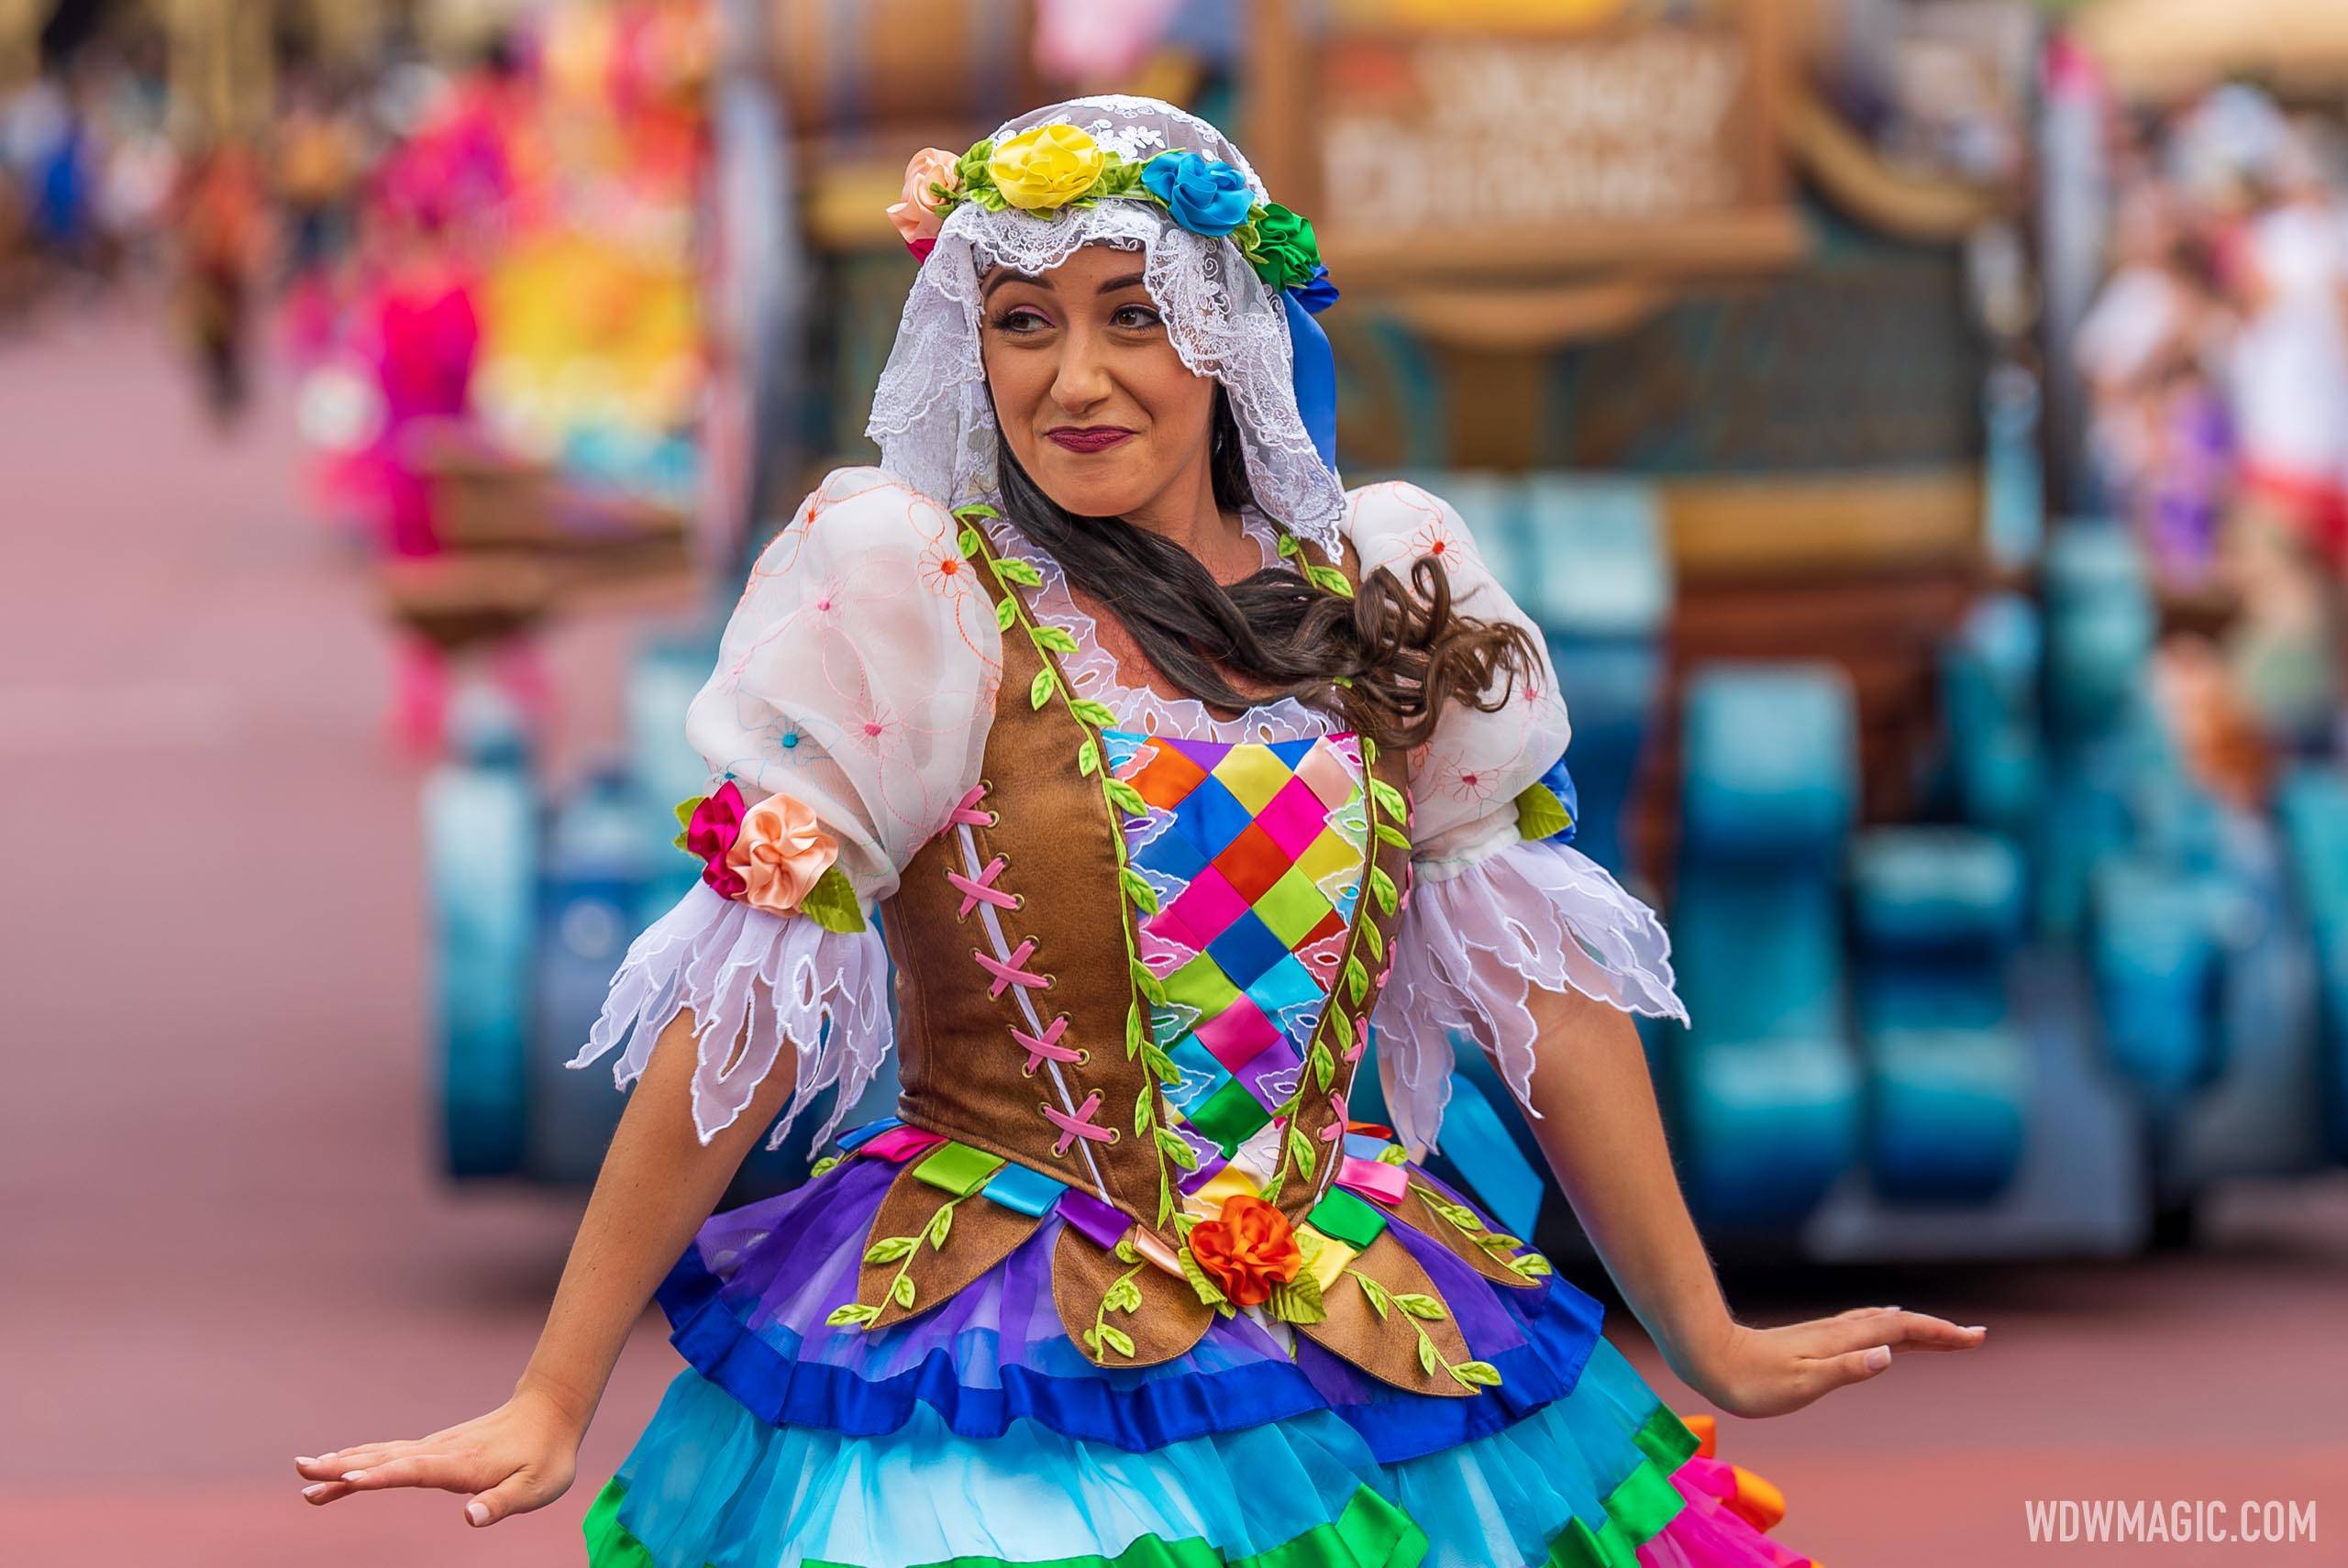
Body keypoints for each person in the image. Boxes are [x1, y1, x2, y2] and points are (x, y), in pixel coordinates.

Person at [297, 96, 1983, 1565]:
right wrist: (555, 1388)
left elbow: (1537, 995)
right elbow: (739, 1019)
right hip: (1002, 1350)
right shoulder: (915, 590)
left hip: (1357, 1314)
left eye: (1131, 316)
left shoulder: (1388, 583)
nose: (1074, 378)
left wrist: (1699, 1325)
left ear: (1232, 328)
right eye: (1021, 323)